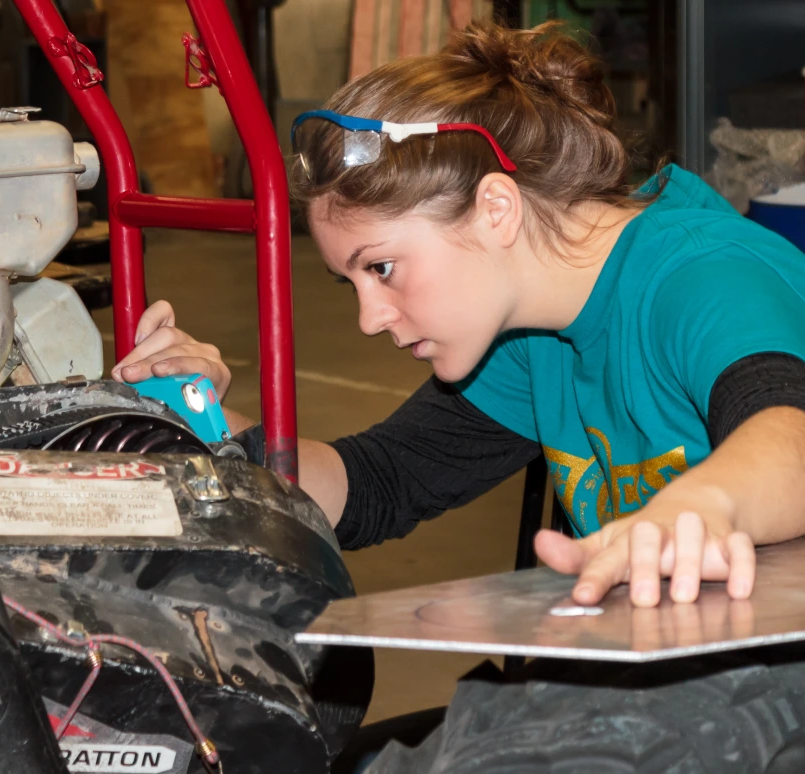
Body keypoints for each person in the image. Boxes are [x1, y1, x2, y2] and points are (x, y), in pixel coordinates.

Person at [111, 20, 805, 772]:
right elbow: (380, 483)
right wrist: (204, 427)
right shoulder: (528, 327)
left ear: (496, 210)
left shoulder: (700, 276)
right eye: (352, 282)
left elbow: (789, 433)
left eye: (382, 268)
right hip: (668, 683)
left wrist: (698, 509)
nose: (370, 318)